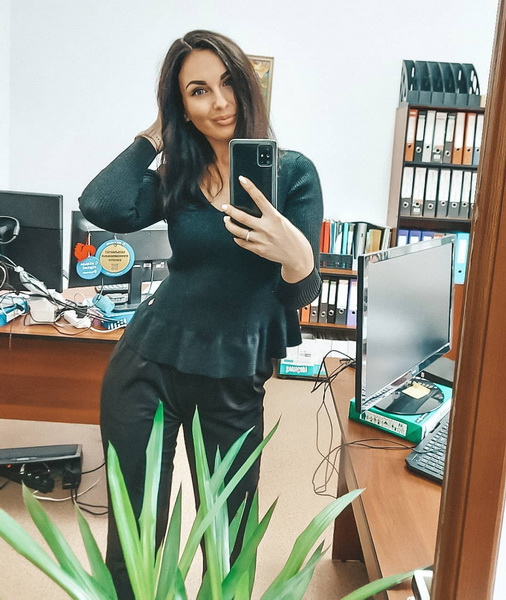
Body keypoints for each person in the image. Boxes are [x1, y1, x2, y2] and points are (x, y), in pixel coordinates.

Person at [79, 29, 323, 598]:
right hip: (147, 364)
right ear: (182, 106)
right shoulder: (179, 178)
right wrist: (155, 134)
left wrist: (294, 256)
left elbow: (299, 294)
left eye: (228, 83)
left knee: (228, 538)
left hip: (234, 371)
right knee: (137, 534)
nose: (219, 102)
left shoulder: (293, 174)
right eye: (198, 91)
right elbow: (102, 204)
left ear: (248, 85)